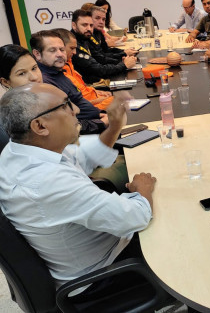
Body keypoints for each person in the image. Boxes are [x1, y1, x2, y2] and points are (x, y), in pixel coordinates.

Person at [0, 83, 159, 298]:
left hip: (95, 252)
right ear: (40, 125)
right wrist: (142, 190)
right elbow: (135, 217)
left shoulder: (21, 148)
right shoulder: (47, 182)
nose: (75, 110)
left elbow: (84, 157)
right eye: (65, 106)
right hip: (100, 276)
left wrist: (113, 127)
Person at [30, 30, 108, 135]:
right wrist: (100, 123)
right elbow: (64, 125)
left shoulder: (57, 72)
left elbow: (79, 102)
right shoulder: (46, 84)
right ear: (37, 54)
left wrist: (99, 114)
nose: (60, 54)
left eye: (62, 49)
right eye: (52, 50)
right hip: (84, 135)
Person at [52, 28, 114, 110]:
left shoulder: (68, 63)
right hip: (89, 108)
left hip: (92, 100)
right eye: (71, 48)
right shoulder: (58, 71)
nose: (74, 52)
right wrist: (97, 100)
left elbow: (81, 88)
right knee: (119, 101)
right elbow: (75, 105)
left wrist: (96, 92)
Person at [71, 9, 136, 84]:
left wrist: (123, 60)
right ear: (74, 25)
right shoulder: (74, 44)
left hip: (95, 80)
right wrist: (123, 65)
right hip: (88, 86)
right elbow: (99, 69)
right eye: (84, 25)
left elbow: (100, 57)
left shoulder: (84, 38)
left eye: (91, 25)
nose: (89, 28)